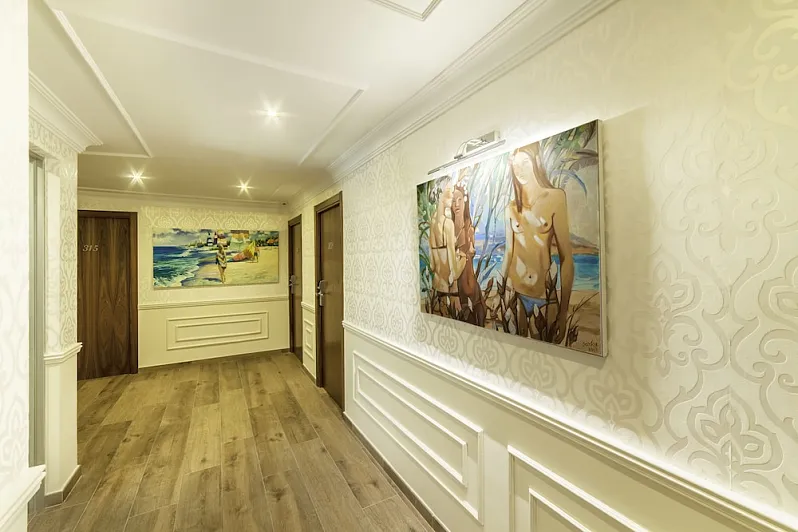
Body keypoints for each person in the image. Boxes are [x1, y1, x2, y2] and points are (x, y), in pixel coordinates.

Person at [500, 142, 574, 343]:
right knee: (514, 351)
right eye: (516, 165)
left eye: (525, 163)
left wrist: (563, 312)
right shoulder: (511, 208)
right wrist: (500, 292)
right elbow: (509, 254)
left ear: (536, 162)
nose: (520, 170)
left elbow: (566, 258)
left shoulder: (555, 198)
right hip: (514, 293)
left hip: (544, 296)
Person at [428, 182, 467, 317]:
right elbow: (454, 273)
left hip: (437, 285)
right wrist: (463, 259)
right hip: (450, 288)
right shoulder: (448, 224)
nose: (451, 194)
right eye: (448, 190)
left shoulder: (432, 223)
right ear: (440, 195)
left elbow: (432, 265)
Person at [452, 178, 486, 326]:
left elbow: (472, 251)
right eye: (453, 201)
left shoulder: (468, 227)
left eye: (459, 200)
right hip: (458, 282)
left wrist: (468, 252)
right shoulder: (450, 228)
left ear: (465, 201)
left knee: (479, 312)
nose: (456, 204)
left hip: (469, 278)